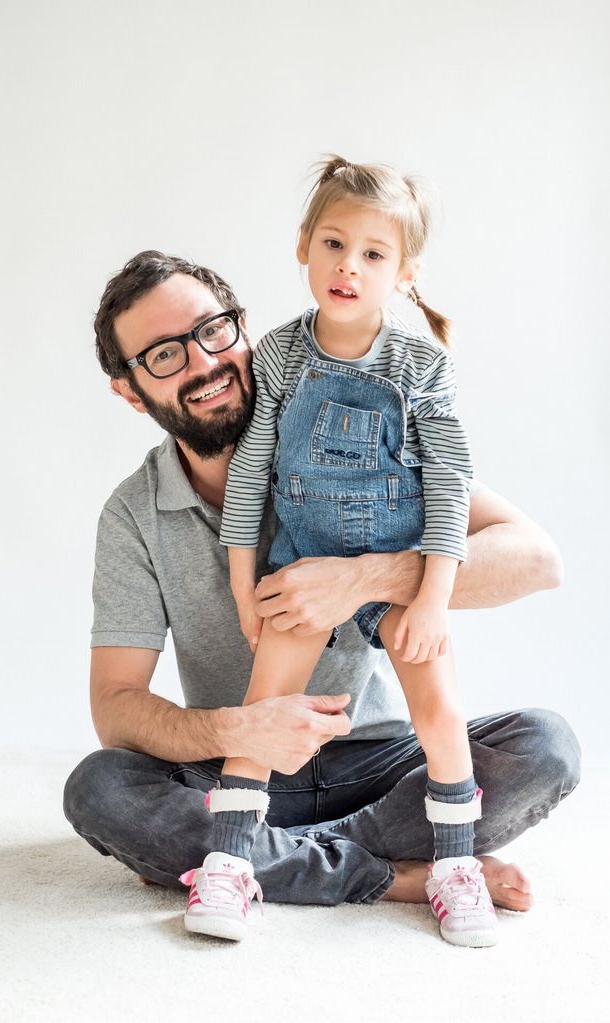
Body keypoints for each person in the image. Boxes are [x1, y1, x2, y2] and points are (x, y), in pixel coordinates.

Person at [62, 248, 579, 948]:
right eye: (163, 355)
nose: (203, 362)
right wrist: (237, 731)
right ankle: (393, 874)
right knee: (99, 788)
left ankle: (248, 860)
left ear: (243, 327)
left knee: (545, 744)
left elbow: (535, 558)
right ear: (129, 389)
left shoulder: (351, 444)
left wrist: (364, 577)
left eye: (213, 330)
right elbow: (115, 706)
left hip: (371, 762)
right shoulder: (132, 515)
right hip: (233, 772)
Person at [211, 155, 490, 947]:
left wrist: (432, 597)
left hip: (400, 573)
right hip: (300, 566)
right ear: (304, 245)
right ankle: (230, 863)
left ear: (403, 274)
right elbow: (251, 475)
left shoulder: (420, 366)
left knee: (440, 715)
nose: (348, 266)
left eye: (373, 254)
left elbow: (450, 487)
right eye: (334, 243)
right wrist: (243, 584)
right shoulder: (278, 356)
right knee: (264, 715)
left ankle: (455, 865)